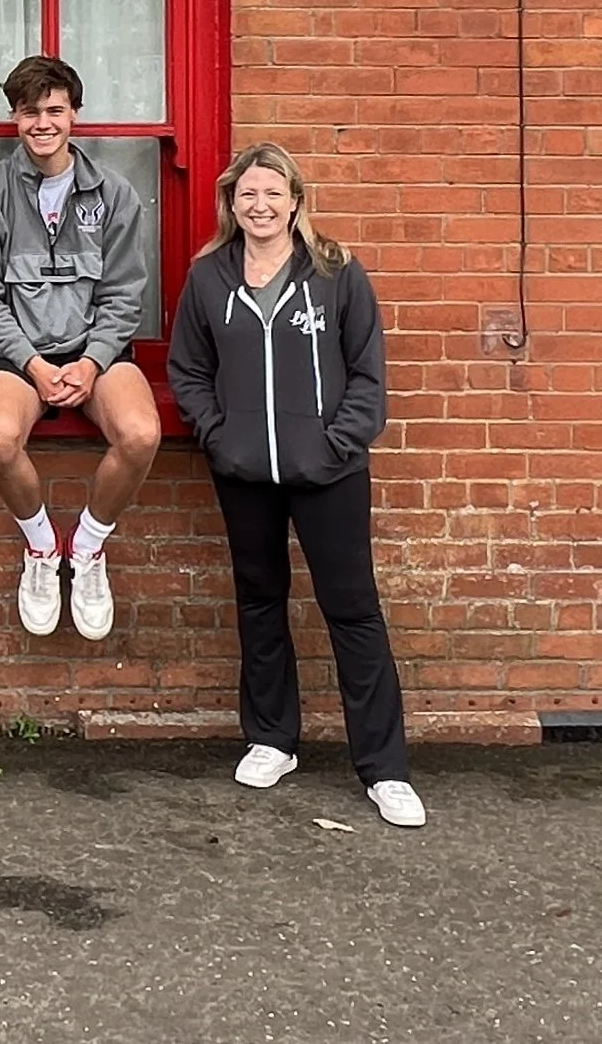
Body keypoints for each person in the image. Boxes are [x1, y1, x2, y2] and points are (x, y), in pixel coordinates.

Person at [166, 141, 426, 829]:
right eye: (246, 194)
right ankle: (270, 739)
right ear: (232, 203)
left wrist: (336, 443)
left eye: (271, 193)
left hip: (329, 474)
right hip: (244, 472)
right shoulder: (209, 279)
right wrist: (219, 438)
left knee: (352, 611)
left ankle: (384, 769)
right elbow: (186, 371)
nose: (259, 205)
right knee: (259, 600)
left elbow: (367, 375)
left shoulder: (336, 273)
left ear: (294, 201)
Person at [0, 54, 161, 643]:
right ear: (14, 119)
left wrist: (92, 362)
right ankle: (43, 548)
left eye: (54, 110)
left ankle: (89, 548)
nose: (42, 123)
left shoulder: (114, 195)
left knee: (142, 433)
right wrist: (36, 365)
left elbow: (125, 293)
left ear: (74, 114)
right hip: (16, 360)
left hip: (96, 351)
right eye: (29, 112)